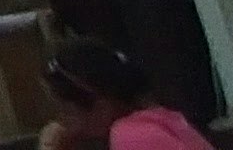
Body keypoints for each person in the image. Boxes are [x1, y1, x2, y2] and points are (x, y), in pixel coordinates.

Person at [42, 42, 210, 149]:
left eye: (65, 110)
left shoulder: (131, 135)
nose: (60, 121)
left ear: (101, 107)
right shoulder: (160, 120)